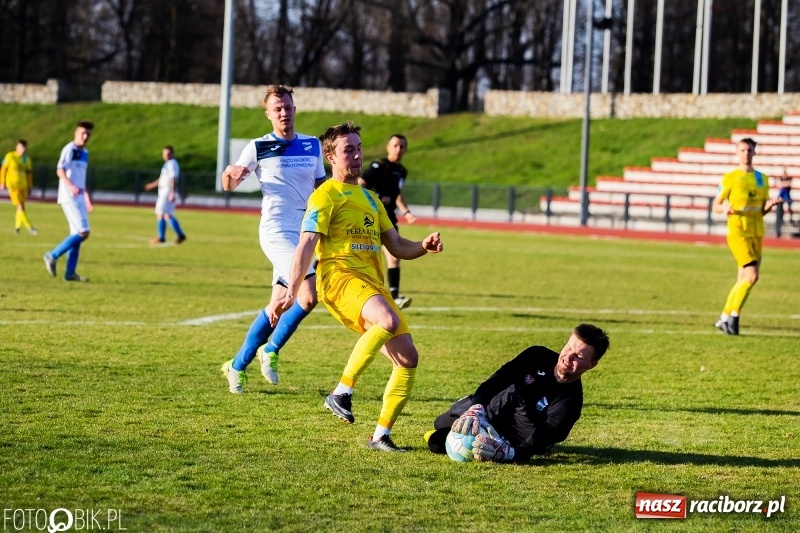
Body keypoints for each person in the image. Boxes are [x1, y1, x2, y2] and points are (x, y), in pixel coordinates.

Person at [273, 121, 443, 452]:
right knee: (388, 321)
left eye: (359, 148)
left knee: (408, 358)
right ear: (331, 157)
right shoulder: (324, 195)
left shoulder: (370, 199)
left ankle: (380, 435)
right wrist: (292, 288)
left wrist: (423, 245)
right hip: (338, 279)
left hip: (371, 286)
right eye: (348, 150)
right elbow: (307, 242)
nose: (356, 155)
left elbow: (396, 247)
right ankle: (341, 392)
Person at [219, 84, 327, 393]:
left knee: (279, 302)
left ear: (295, 109)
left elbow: (321, 189)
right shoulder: (258, 147)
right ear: (268, 114)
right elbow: (230, 183)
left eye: (288, 107)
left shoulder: (312, 145)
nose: (284, 112)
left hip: (306, 230)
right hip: (276, 230)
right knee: (307, 294)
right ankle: (271, 348)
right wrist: (230, 174)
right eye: (277, 108)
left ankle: (237, 365)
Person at [425, 323, 610, 463]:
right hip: (491, 410)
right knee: (439, 423)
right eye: (569, 348)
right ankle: (469, 405)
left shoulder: (570, 403)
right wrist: (476, 407)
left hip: (508, 437)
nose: (568, 357)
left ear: (592, 365)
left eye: (578, 356)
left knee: (436, 443)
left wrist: (508, 453)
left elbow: (532, 445)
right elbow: (499, 379)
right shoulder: (537, 355)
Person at [712, 138, 782, 335]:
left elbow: (760, 211)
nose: (746, 153)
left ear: (755, 152)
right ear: (737, 152)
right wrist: (724, 207)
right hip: (738, 232)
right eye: (742, 150)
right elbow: (716, 205)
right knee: (752, 276)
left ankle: (724, 318)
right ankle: (733, 318)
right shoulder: (729, 178)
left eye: (749, 150)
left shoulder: (762, 179)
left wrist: (768, 206)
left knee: (744, 278)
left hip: (757, 233)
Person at [358, 134, 418, 309]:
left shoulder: (402, 171)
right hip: (370, 216)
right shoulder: (379, 166)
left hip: (389, 218)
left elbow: (397, 194)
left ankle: (394, 297)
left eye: (402, 146)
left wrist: (406, 212)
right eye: (395, 146)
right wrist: (376, 198)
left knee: (394, 257)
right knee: (362, 254)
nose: (398, 150)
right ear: (388, 147)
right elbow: (361, 184)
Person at [43, 120, 95, 282]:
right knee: (83, 232)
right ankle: (52, 254)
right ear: (75, 133)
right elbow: (60, 170)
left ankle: (70, 273)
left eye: (88, 134)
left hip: (79, 198)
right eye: (82, 133)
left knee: (77, 234)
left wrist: (86, 197)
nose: (85, 136)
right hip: (69, 197)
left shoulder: (85, 153)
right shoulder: (70, 149)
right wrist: (71, 186)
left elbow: (81, 179)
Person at [144, 145, 187, 244]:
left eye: (168, 153)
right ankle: (180, 235)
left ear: (173, 154)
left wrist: (172, 192)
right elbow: (163, 179)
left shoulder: (171, 164)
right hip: (166, 191)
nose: (166, 155)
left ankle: (161, 237)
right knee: (168, 215)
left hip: (166, 192)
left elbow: (172, 179)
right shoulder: (168, 164)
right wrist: (152, 185)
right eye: (164, 154)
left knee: (160, 214)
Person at [0, 139, 37, 235]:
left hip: (23, 185)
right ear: (17, 147)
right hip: (13, 186)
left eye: (24, 147)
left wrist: (29, 186)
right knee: (20, 206)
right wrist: (2, 182)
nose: (23, 149)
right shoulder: (10, 156)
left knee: (22, 207)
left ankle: (17, 228)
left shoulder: (26, 159)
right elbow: (4, 169)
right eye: (21, 147)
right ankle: (30, 227)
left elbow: (29, 174)